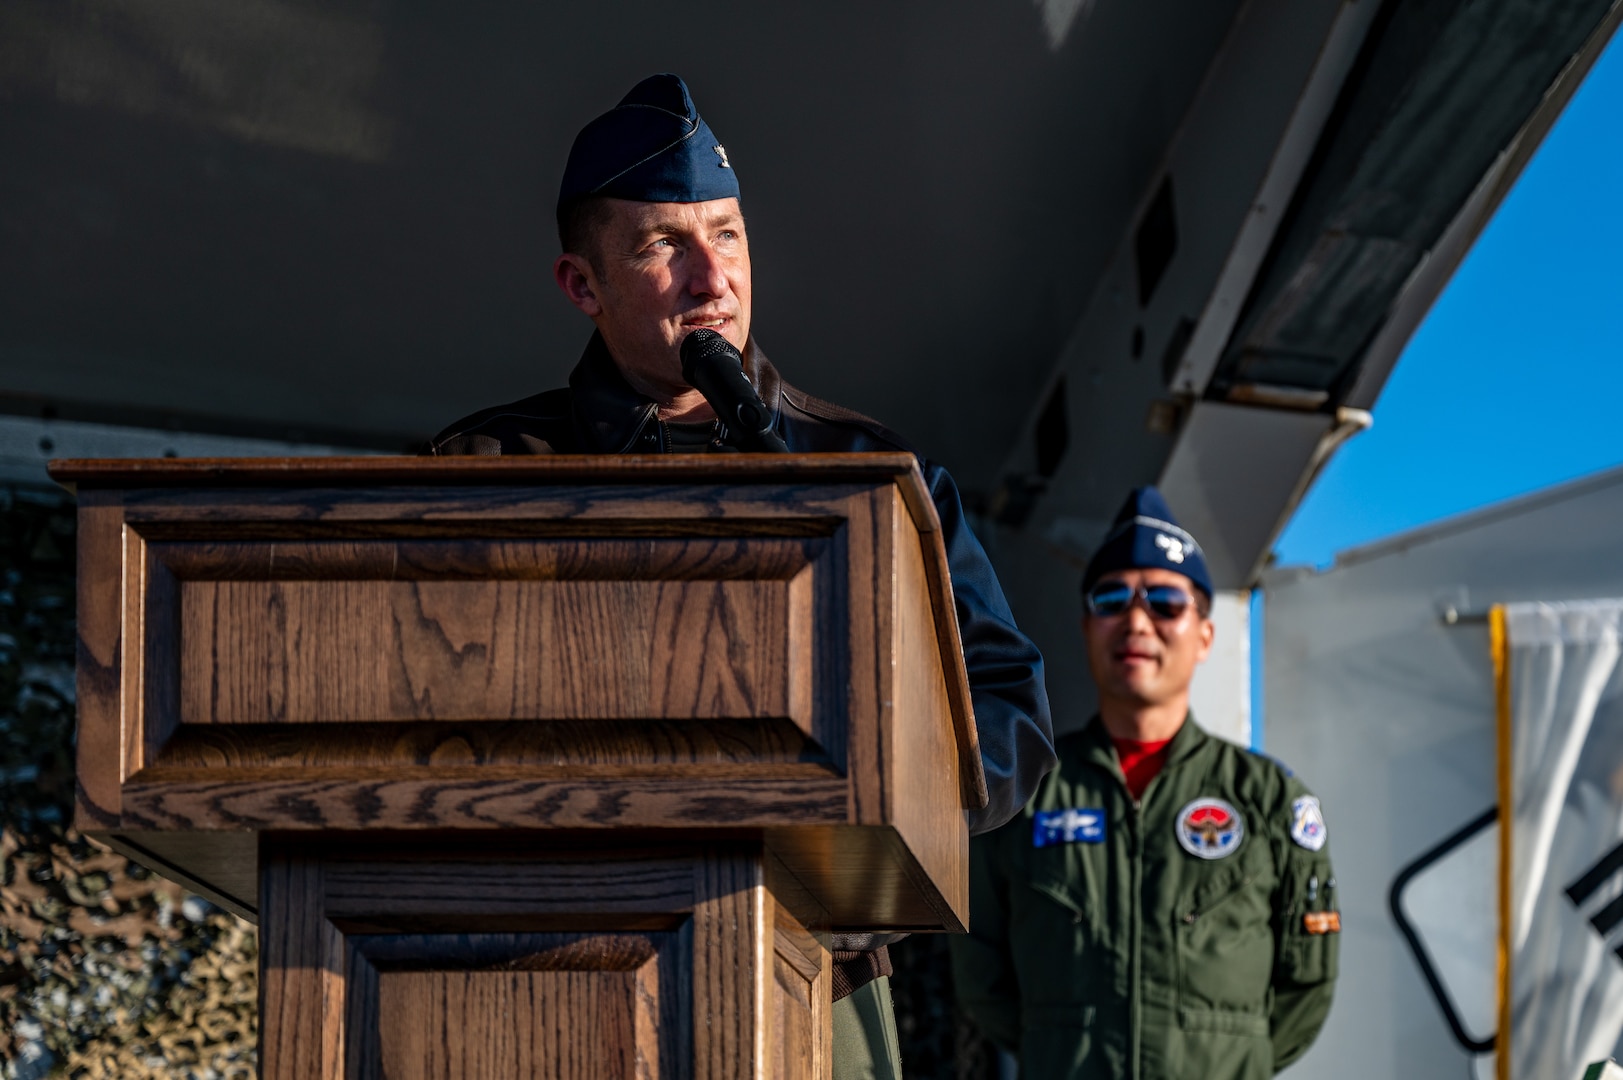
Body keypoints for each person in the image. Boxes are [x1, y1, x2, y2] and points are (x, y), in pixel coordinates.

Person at [426, 72, 1057, 1079]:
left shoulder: (866, 473)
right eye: (660, 246)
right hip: (548, 976)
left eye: (725, 233)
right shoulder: (490, 469)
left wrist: (866, 797)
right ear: (582, 286)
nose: (711, 277)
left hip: (813, 960)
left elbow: (1008, 710)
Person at [950, 487, 1339, 1079]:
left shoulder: (1269, 802)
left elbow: (1305, 989)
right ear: (1086, 628)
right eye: (1112, 598)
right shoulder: (1023, 794)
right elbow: (984, 978)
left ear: (1205, 634)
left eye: (1164, 601)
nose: (1136, 620)